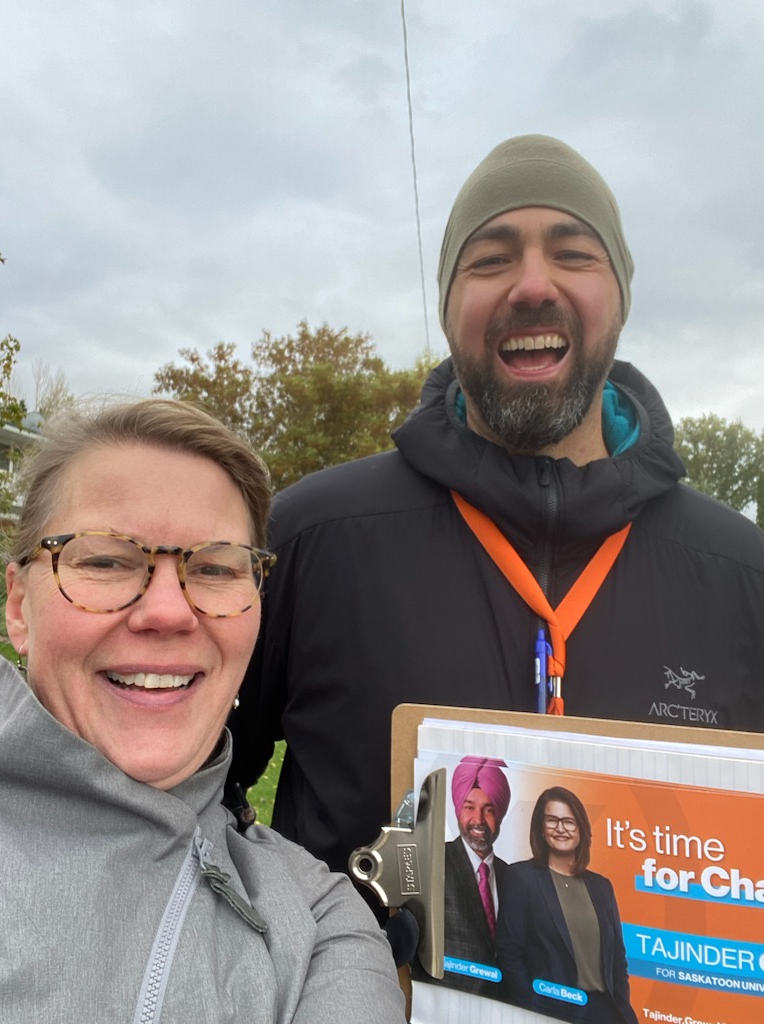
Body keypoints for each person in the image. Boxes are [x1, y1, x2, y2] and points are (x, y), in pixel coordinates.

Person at [228, 134, 764, 908]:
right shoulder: (309, 537)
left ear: (619, 299)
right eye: (489, 259)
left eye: (574, 254)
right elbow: (188, 792)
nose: (532, 284)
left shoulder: (742, 573)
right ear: (448, 306)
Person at [0, 399, 405, 1023]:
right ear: (19, 608)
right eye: (105, 560)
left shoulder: (320, 924)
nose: (168, 612)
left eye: (214, 568)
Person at [496, 787, 638, 1023]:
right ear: (541, 828)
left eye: (569, 822)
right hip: (551, 1010)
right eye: (552, 820)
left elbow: (617, 958)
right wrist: (528, 1008)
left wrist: (623, 1009)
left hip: (605, 1012)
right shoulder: (522, 877)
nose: (560, 828)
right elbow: (509, 952)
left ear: (581, 828)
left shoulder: (602, 887)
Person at [439, 756, 511, 996]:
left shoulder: (513, 877)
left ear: (500, 814)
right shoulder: (435, 862)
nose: (478, 820)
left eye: (489, 810)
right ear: (458, 809)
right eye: (469, 807)